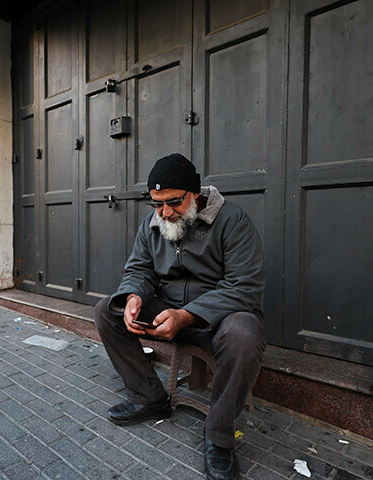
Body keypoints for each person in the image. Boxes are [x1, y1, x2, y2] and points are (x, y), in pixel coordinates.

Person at [94, 153, 266, 480]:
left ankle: (218, 436)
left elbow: (245, 286)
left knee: (245, 333)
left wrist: (187, 315)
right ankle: (150, 398)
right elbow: (139, 270)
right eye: (157, 204)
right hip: (167, 311)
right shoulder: (154, 222)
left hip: (217, 318)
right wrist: (132, 297)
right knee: (107, 310)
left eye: (174, 202)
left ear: (196, 194)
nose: (165, 212)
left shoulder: (233, 221)